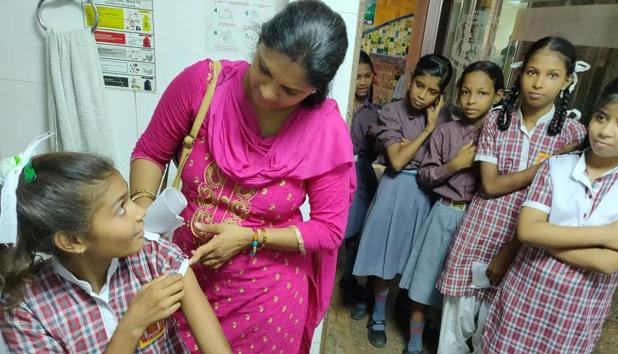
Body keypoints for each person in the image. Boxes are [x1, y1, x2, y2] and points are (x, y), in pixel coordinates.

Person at [129, 1, 355, 353]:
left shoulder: (324, 129)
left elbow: (329, 229)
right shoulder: (203, 84)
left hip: (267, 298)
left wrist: (251, 237)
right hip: (182, 276)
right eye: (263, 69)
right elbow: (150, 152)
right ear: (259, 42)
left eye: (289, 91)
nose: (266, 93)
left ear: (315, 89)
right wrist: (145, 223)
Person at [435, 36, 588, 353]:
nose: (538, 83)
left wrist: (511, 248)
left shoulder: (574, 134)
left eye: (552, 75)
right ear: (521, 74)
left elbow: (559, 206)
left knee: (495, 328)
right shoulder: (497, 120)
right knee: (455, 323)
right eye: (532, 72)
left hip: (524, 245)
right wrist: (551, 164)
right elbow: (490, 185)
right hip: (479, 231)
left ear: (568, 81)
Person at [0, 149, 230, 354]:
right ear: (72, 240)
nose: (139, 212)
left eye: (129, 198)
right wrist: (132, 326)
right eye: (121, 208)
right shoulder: (25, 309)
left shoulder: (157, 258)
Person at [482, 72, 618, 353]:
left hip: (576, 309)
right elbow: (527, 230)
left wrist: (545, 238)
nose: (605, 130)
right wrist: (608, 233)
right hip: (526, 292)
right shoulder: (557, 167)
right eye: (601, 117)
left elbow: (607, 262)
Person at [399, 61, 505, 354]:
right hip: (445, 213)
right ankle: (415, 342)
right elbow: (425, 175)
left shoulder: (501, 136)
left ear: (497, 96)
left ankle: (449, 338)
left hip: (479, 219)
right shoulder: (446, 132)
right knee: (424, 280)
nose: (471, 100)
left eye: (481, 93)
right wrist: (454, 165)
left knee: (464, 289)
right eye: (466, 92)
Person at [351, 54, 453, 348]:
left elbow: (442, 162)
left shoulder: (447, 118)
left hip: (427, 194)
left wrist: (422, 142)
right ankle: (379, 314)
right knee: (384, 256)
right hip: (395, 190)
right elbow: (396, 160)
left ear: (441, 94)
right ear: (411, 80)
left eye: (432, 91)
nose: (422, 95)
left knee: (412, 260)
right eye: (419, 85)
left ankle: (398, 308)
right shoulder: (392, 112)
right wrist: (427, 132)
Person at [340, 50, 380, 309]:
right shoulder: (338, 102)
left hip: (362, 170)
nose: (362, 81)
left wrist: (375, 139)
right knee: (335, 227)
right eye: (358, 76)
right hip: (338, 169)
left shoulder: (375, 112)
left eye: (367, 76)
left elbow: (375, 153)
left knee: (358, 230)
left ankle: (350, 278)